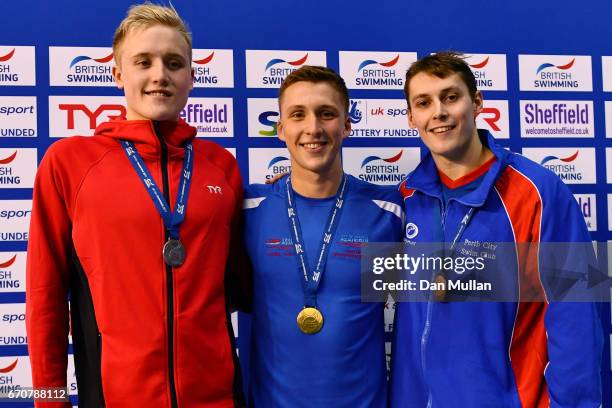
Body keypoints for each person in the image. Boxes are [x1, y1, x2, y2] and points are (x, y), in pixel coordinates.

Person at [26, 4, 246, 407]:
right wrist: (48, 401)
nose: (160, 75)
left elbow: (242, 287)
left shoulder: (222, 167)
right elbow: (46, 297)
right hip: (115, 397)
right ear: (117, 73)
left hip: (217, 398)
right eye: (143, 62)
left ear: (192, 78)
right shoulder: (70, 163)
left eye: (174, 63)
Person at [389, 51, 603, 407]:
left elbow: (576, 314)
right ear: (412, 117)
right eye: (424, 103)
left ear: (477, 102)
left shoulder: (538, 192)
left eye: (451, 97)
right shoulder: (405, 197)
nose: (438, 112)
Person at [242, 66, 404, 407]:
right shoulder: (248, 210)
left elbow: (460, 287)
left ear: (346, 125)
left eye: (326, 114)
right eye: (298, 115)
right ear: (281, 129)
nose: (313, 128)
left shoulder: (390, 210)